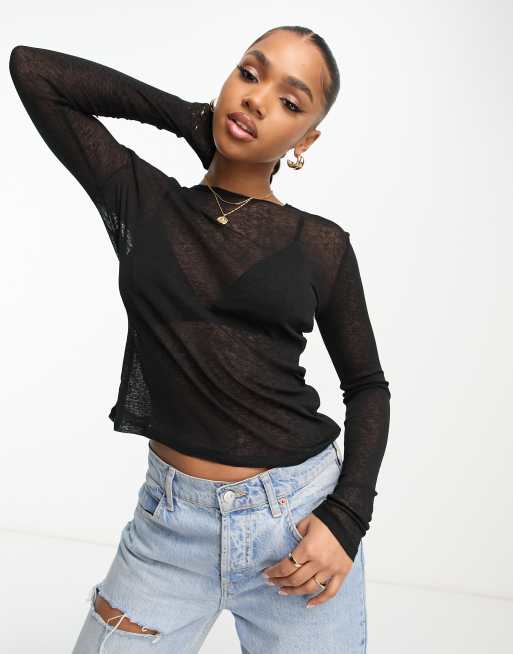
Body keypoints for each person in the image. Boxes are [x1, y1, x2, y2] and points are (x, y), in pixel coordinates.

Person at [9, 24, 391, 654]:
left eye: (289, 102)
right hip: (169, 527)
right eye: (250, 74)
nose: (257, 100)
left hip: (296, 526)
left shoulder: (320, 245)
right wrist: (188, 118)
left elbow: (368, 387)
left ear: (305, 140)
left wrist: (347, 518)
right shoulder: (142, 200)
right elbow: (33, 70)